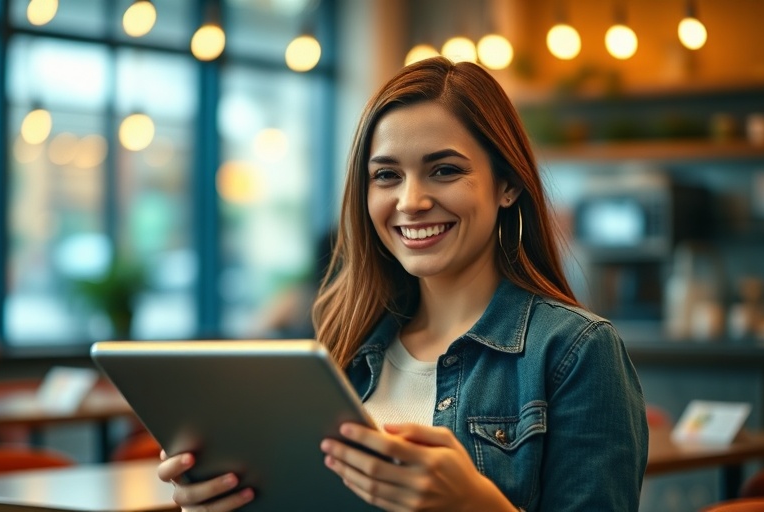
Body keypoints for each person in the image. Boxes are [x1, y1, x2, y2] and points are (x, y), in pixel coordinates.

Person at [158, 57, 648, 511]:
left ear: (508, 184)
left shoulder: (575, 353)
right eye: (387, 175)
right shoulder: (343, 345)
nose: (410, 201)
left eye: (444, 170)